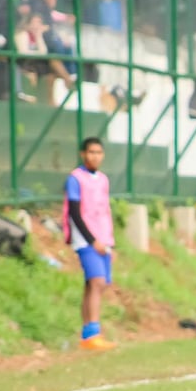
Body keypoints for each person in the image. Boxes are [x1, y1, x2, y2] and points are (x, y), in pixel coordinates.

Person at [62, 137, 117, 351]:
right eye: (91, 152)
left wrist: (109, 241)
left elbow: (103, 211)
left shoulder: (103, 179)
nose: (95, 156)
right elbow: (75, 213)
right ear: (83, 154)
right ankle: (93, 334)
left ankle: (87, 334)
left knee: (94, 285)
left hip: (104, 240)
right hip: (86, 240)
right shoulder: (75, 178)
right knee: (97, 282)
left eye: (99, 152)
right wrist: (92, 240)